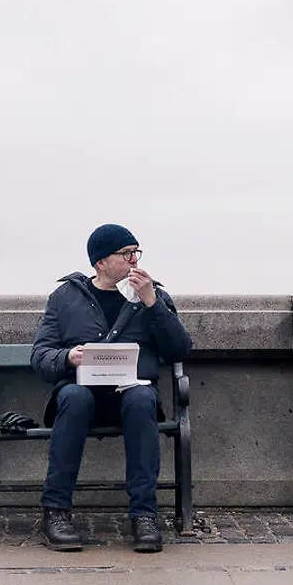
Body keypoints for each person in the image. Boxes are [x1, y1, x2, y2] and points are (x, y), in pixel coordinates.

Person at [30, 223, 193, 553]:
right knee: (74, 397)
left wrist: (152, 304)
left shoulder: (153, 296)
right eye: (126, 253)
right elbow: (40, 355)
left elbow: (179, 350)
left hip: (130, 395)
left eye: (137, 253)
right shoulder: (65, 298)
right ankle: (56, 511)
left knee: (142, 398)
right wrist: (68, 357)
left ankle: (144, 515)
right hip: (82, 395)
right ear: (101, 262)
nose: (135, 260)